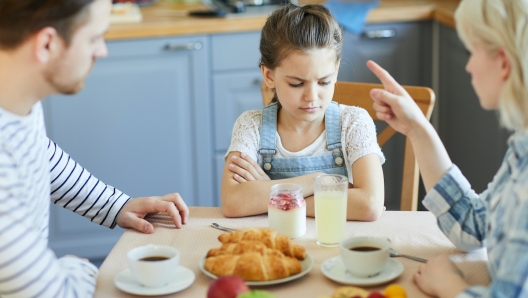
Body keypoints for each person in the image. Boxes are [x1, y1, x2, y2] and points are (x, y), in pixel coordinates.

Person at [0, 0, 189, 297]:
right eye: (94, 38)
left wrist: (115, 205)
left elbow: (40, 155)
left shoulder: (15, 96)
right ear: (47, 43)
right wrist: (78, 268)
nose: (102, 51)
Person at [368, 0, 528, 296]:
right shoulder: (522, 149)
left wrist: (452, 286)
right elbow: (472, 226)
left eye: (472, 51)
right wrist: (418, 129)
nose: (468, 65)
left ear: (503, 62)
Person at [221, 3, 385, 220]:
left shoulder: (354, 122)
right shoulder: (251, 126)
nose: (312, 96)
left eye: (324, 81)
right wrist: (318, 181)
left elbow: (369, 205)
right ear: (269, 76)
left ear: (335, 71)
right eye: (297, 84)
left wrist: (273, 193)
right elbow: (233, 202)